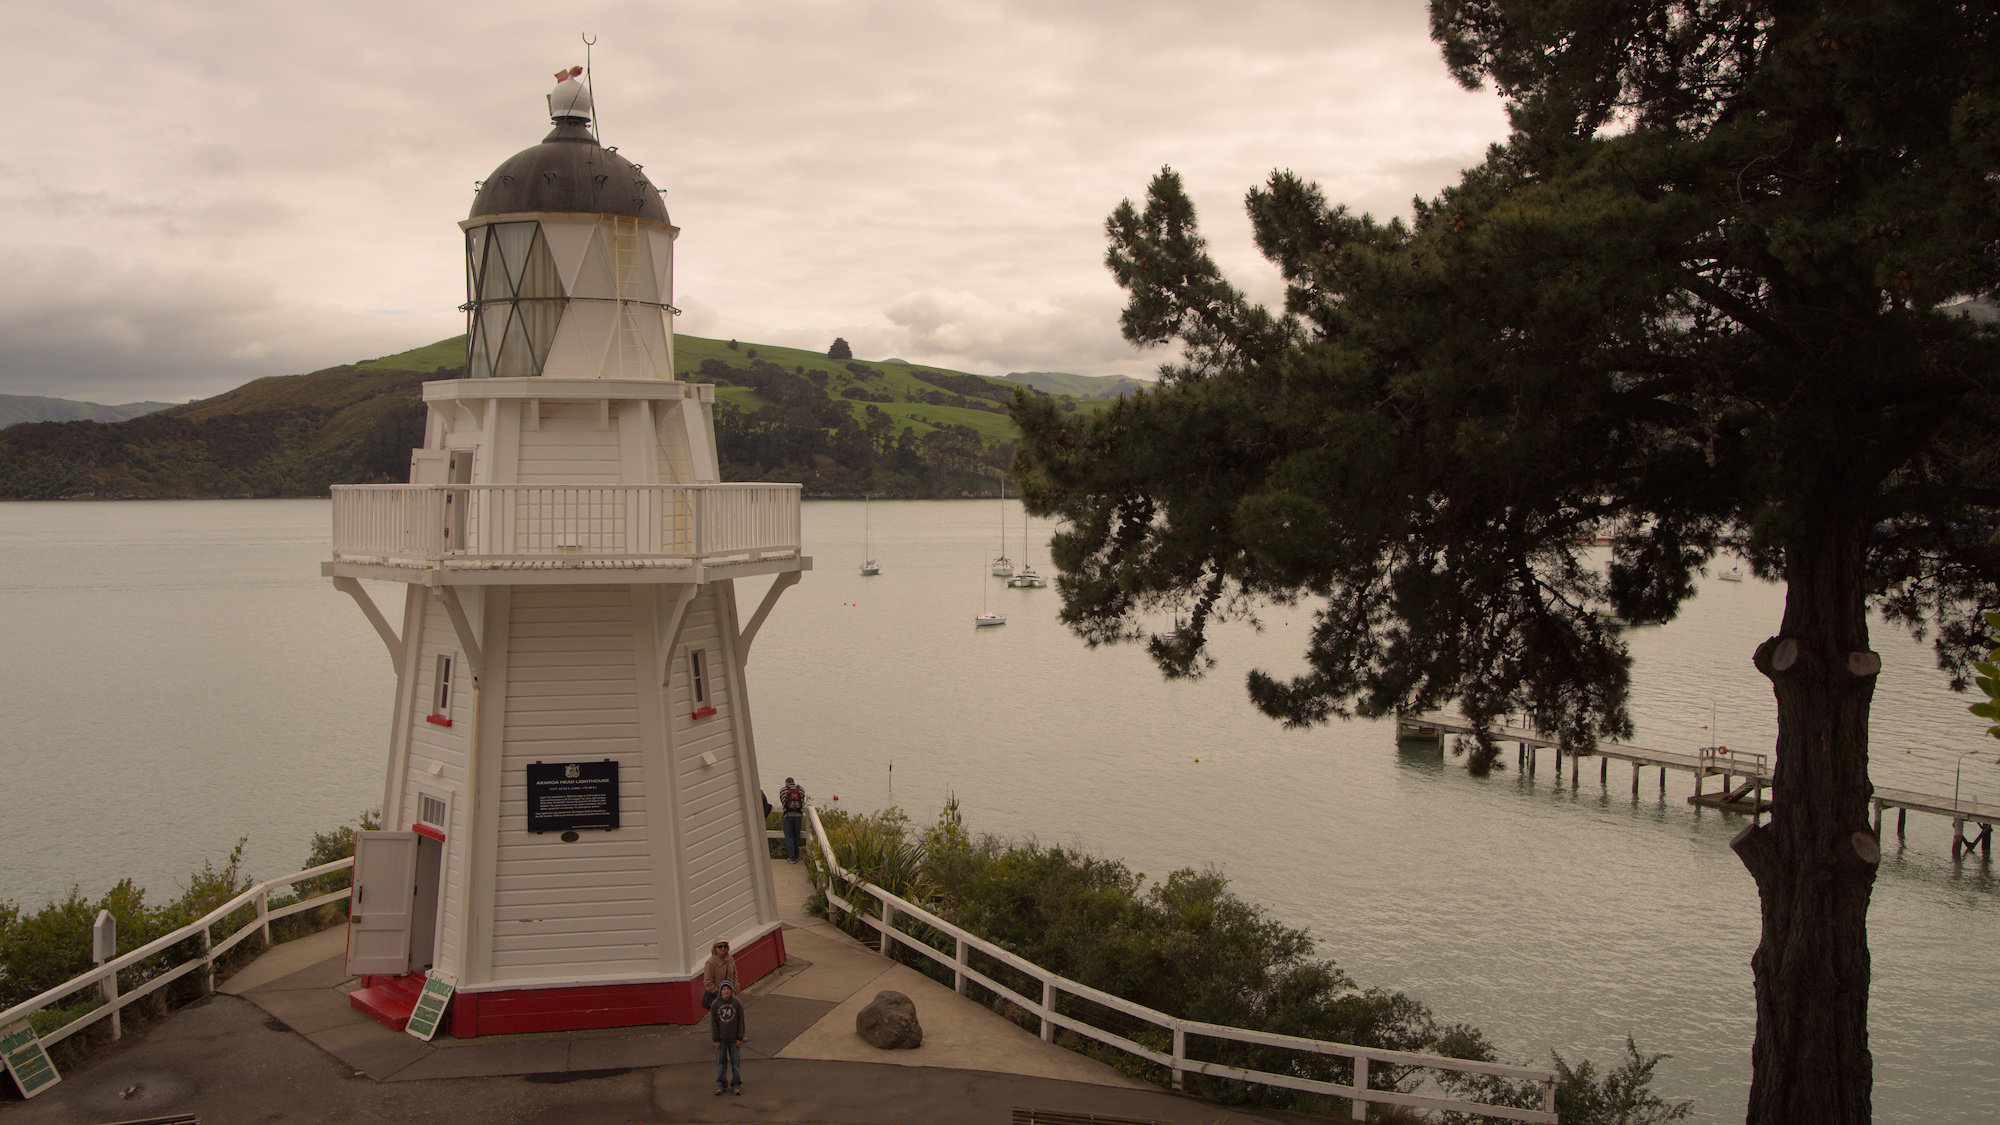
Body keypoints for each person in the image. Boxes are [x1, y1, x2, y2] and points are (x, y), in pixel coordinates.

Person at [711, 979, 745, 1095]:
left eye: (728, 989)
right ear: (720, 991)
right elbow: (713, 1023)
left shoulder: (736, 1003)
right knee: (721, 1062)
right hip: (721, 1040)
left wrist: (740, 1037)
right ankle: (721, 1084)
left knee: (735, 1063)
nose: (726, 991)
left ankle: (736, 1084)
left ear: (731, 991)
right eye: (724, 989)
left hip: (734, 1039)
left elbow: (741, 1022)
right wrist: (715, 1039)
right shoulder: (715, 1005)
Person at [701, 938, 737, 1011]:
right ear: (715, 948)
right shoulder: (710, 963)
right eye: (720, 946)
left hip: (731, 995)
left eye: (725, 946)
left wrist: (735, 988)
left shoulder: (730, 958)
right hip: (717, 998)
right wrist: (720, 994)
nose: (722, 948)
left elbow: (734, 974)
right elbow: (708, 982)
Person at [780, 776, 806, 863]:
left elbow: (783, 802)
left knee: (789, 836)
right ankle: (796, 856)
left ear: (786, 783)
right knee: (797, 835)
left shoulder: (783, 790)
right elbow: (802, 800)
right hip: (798, 815)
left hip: (788, 815)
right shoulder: (801, 789)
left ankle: (792, 858)